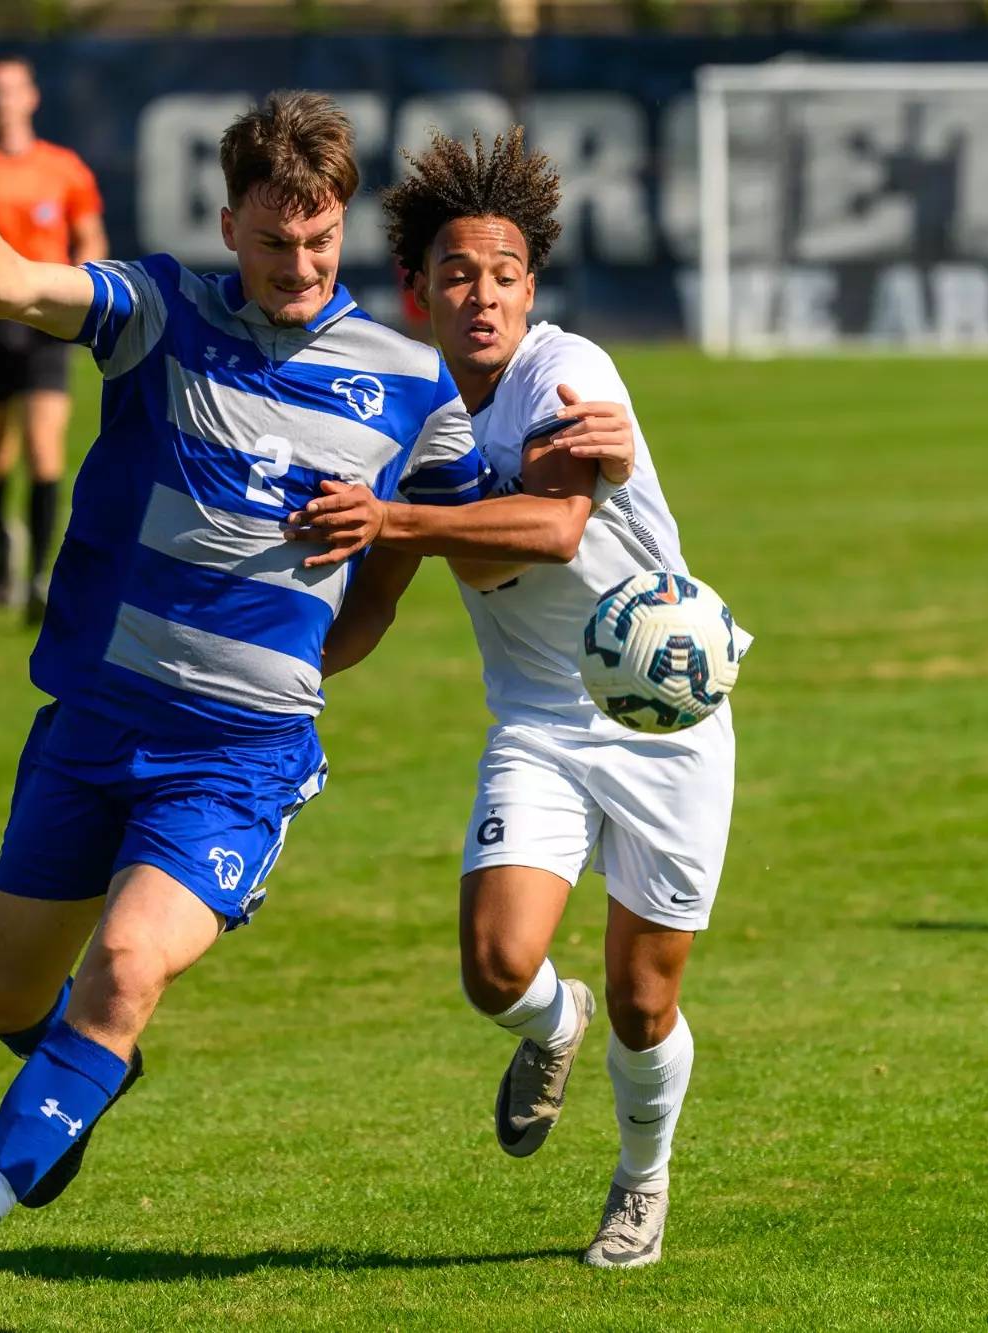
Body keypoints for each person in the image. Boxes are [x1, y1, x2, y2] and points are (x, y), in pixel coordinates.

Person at [0, 89, 636, 1331]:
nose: (299, 265)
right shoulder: (159, 313)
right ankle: (77, 1081)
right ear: (228, 223)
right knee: (8, 1002)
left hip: (235, 760)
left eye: (321, 240)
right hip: (92, 725)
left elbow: (506, 540)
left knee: (123, 967)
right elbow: (12, 286)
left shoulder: (406, 386)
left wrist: (584, 460)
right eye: (275, 241)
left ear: (342, 229)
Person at [309, 128, 752, 1270]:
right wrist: (272, 672)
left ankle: (639, 1181)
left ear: (530, 287)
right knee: (496, 966)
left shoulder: (570, 371)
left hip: (665, 717)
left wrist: (392, 517)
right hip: (542, 725)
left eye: (505, 274)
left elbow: (552, 528)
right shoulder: (408, 422)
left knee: (646, 1000)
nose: (484, 295)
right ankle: (553, 1030)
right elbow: (371, 609)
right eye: (457, 274)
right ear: (417, 294)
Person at [0, 56, 107, 621]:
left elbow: (89, 234)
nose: (4, 101)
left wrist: (87, 289)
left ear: (32, 98)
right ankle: (1, 538)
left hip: (47, 320)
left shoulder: (64, 168)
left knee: (45, 450)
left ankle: (40, 576)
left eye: (13, 90)